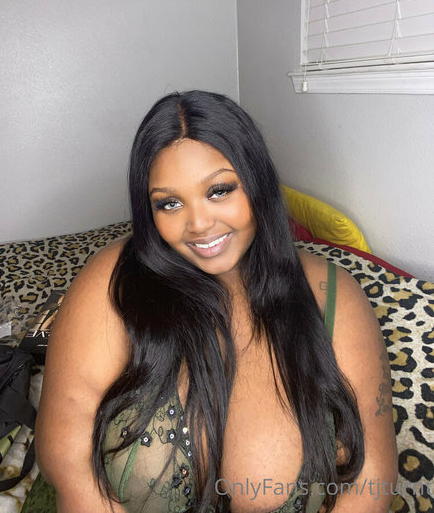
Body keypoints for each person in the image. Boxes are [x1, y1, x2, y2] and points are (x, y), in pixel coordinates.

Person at [35, 90, 398, 513]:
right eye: (170, 203)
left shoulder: (334, 295)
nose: (198, 224)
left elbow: (372, 478)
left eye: (219, 190)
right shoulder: (110, 278)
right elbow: (68, 455)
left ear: (257, 182)